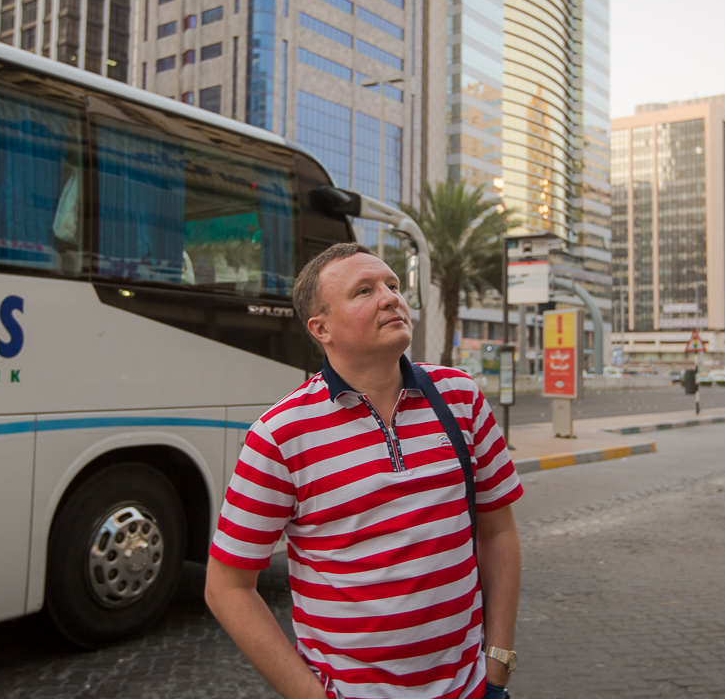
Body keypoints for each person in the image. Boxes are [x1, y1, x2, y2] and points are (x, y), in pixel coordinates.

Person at [205, 242, 523, 699]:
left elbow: (498, 532)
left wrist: (497, 666)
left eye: (393, 285)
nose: (391, 298)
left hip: (471, 689)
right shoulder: (279, 435)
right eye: (364, 291)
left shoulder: (461, 397)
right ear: (321, 328)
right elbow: (227, 587)